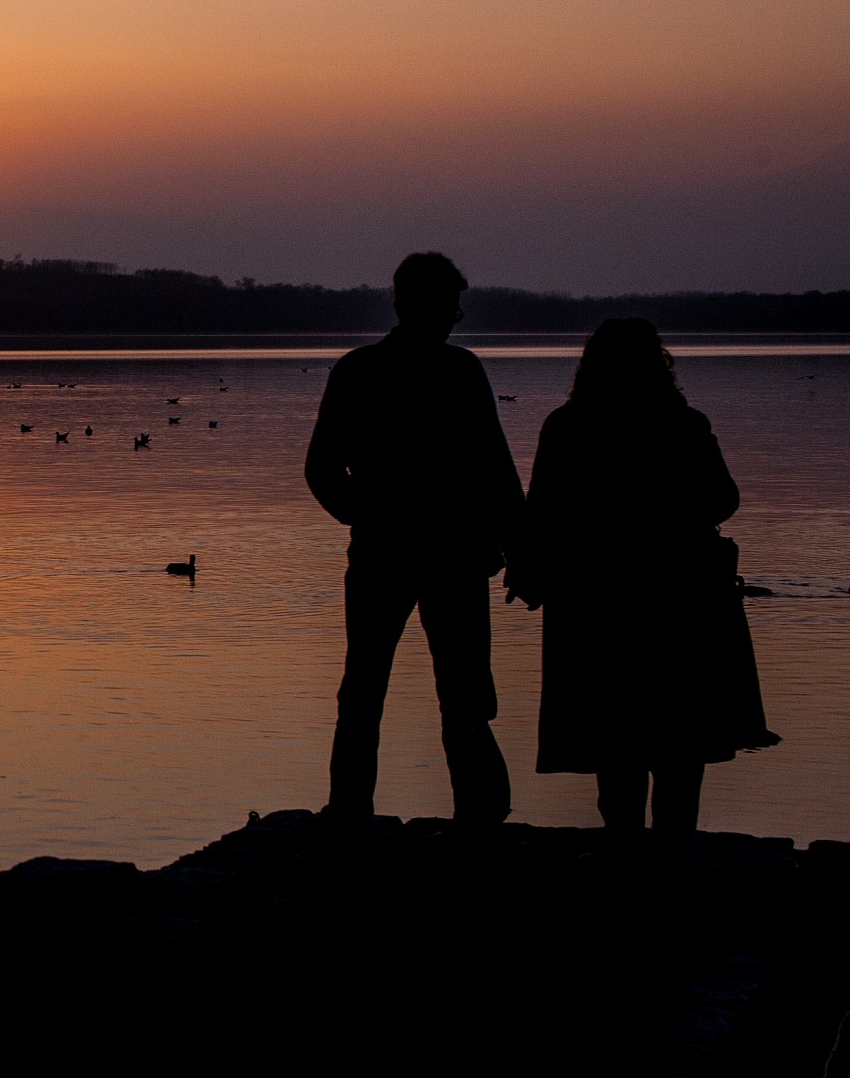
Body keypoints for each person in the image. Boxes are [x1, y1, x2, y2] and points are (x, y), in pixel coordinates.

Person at [505, 319, 774, 837]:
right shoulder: (684, 423)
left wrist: (530, 567)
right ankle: (673, 846)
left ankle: (624, 845)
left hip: (593, 599)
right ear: (658, 364)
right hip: (680, 599)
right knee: (680, 732)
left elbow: (539, 510)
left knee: (613, 730)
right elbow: (725, 500)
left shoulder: (568, 425)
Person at [305, 252, 523, 826]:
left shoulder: (364, 370)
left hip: (409, 552)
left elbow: (322, 472)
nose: (456, 316)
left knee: (382, 689)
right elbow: (496, 473)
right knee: (447, 689)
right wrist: (371, 517)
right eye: (451, 304)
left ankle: (357, 812)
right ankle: (476, 814)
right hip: (434, 553)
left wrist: (369, 516)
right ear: (419, 304)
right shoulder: (452, 371)